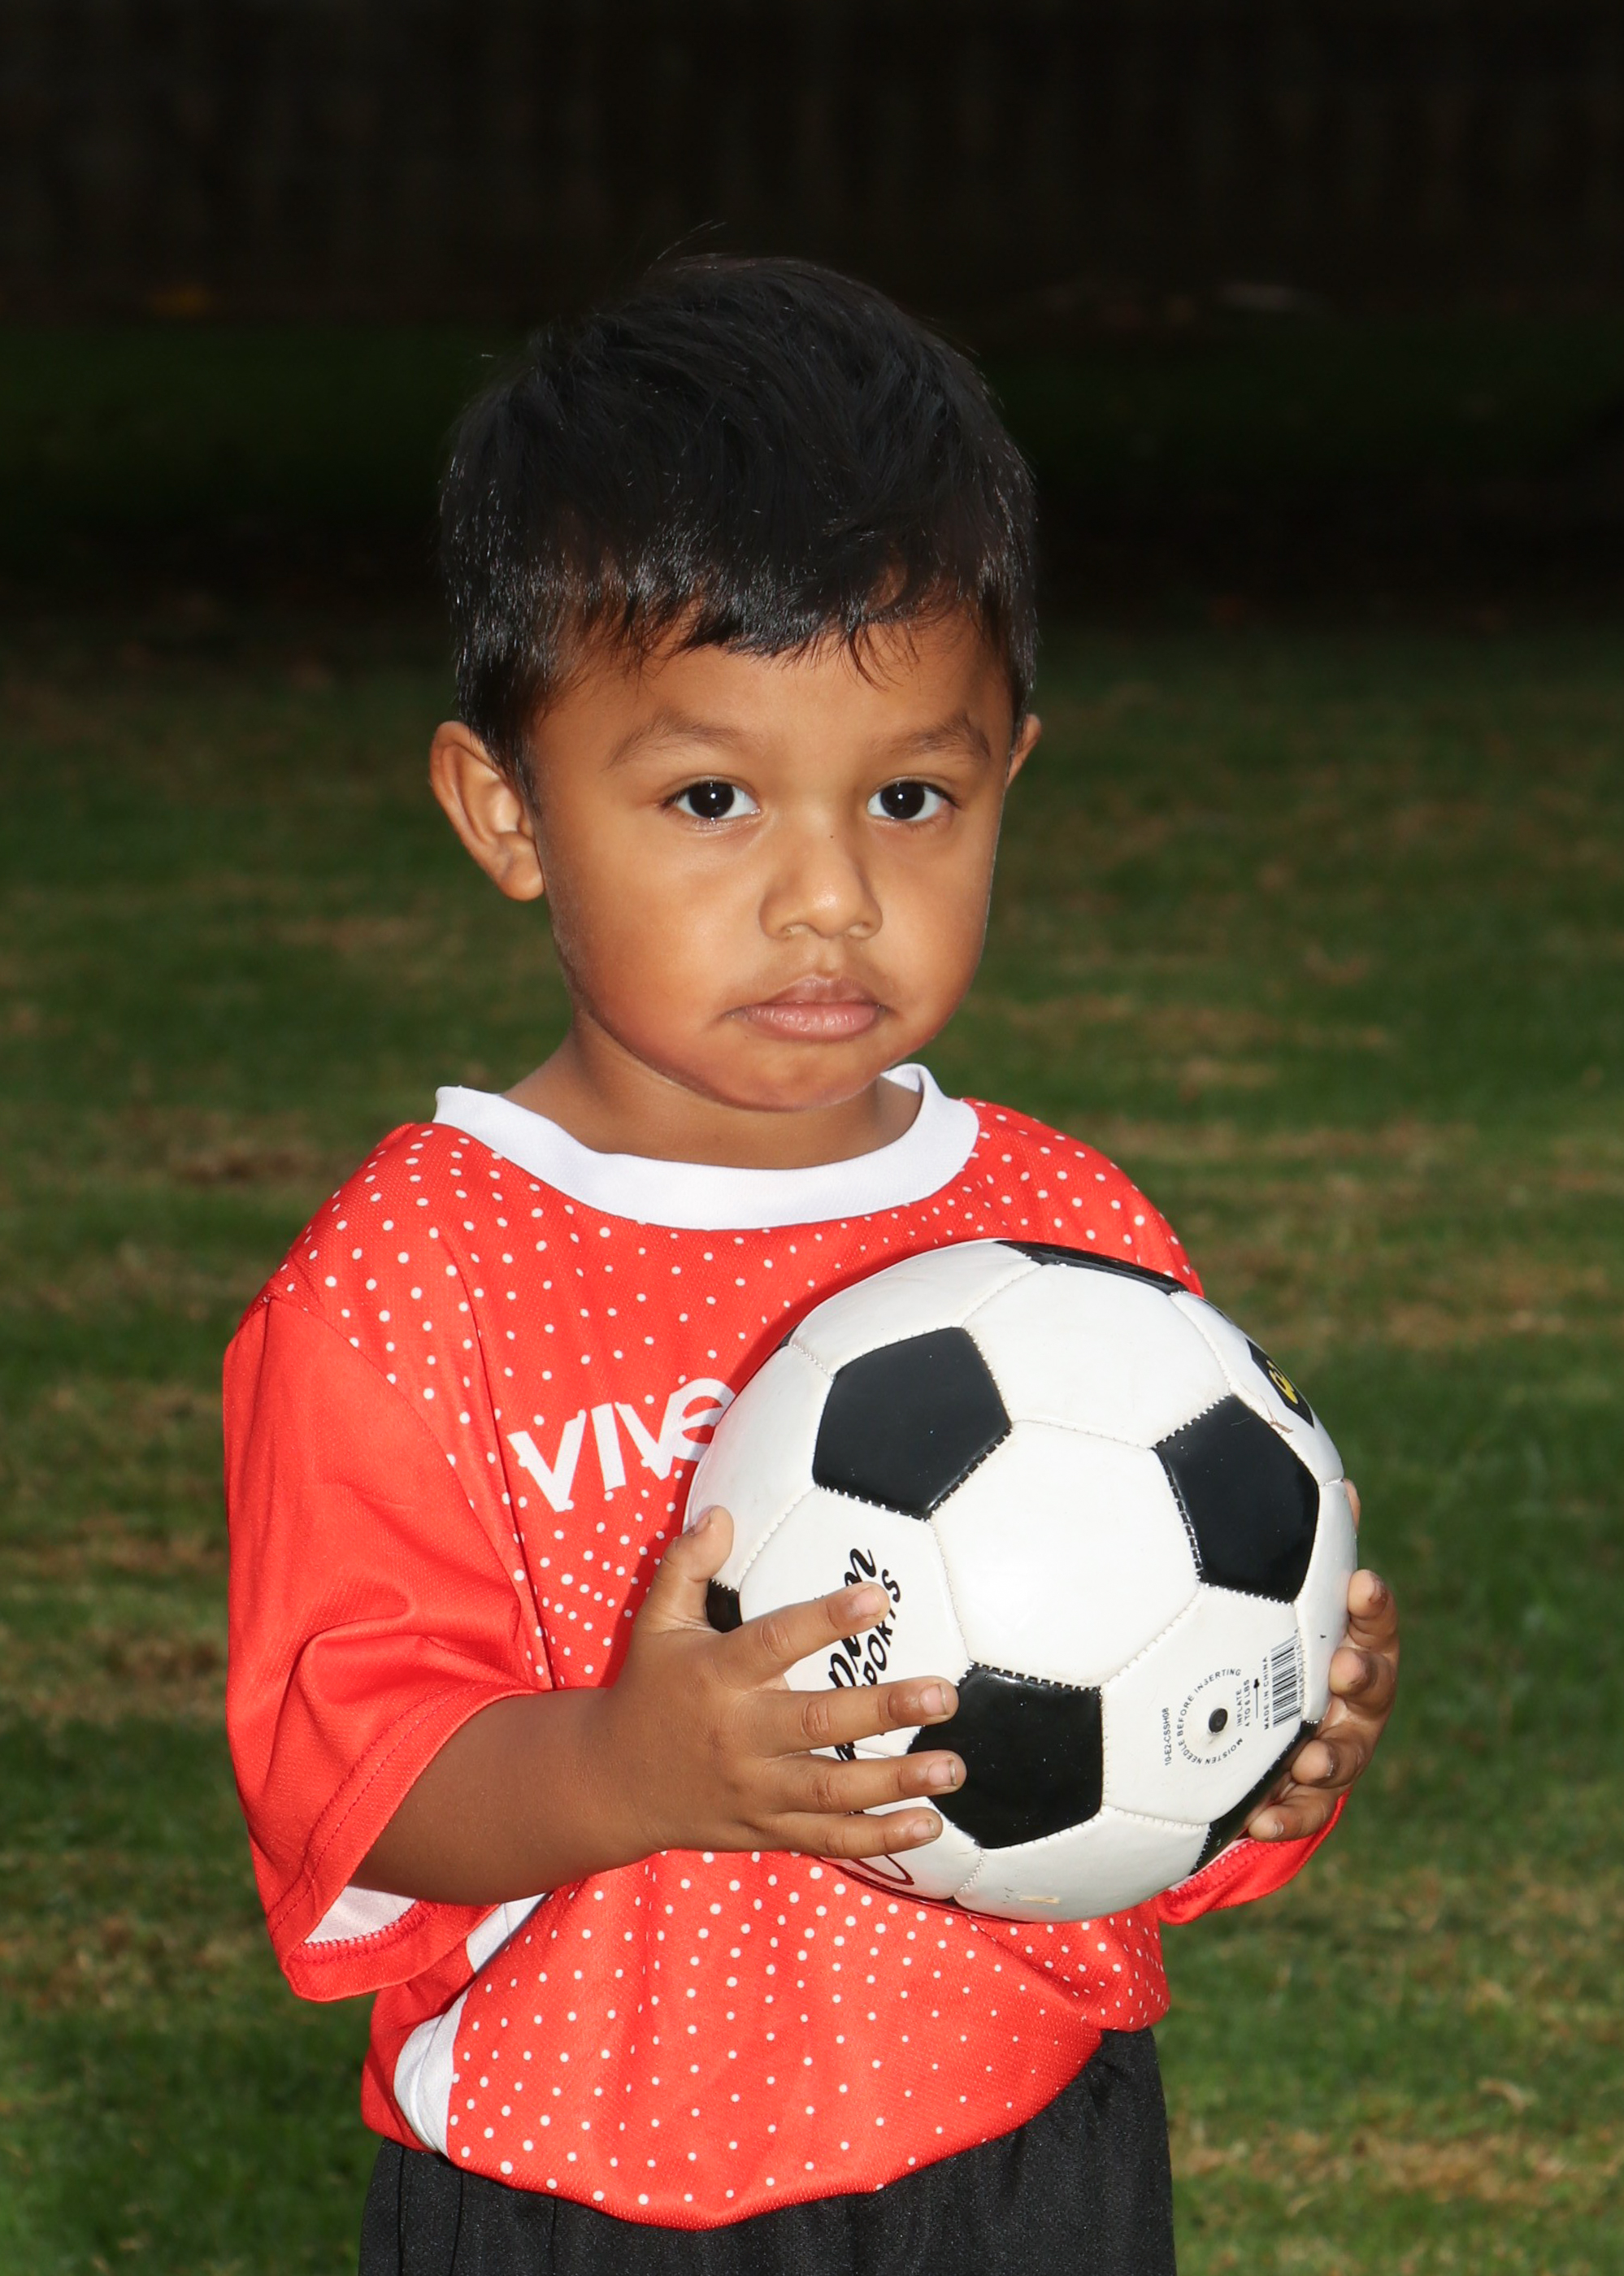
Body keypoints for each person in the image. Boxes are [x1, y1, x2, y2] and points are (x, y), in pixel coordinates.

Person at [223, 258, 1400, 2276]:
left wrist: (1269, 1747)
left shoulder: (1066, 1236)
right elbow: (352, 1771)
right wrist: (628, 1764)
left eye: (910, 796)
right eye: (710, 797)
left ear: (1010, 773)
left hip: (1017, 2156)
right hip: (578, 2182)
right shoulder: (413, 1278)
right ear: (508, 810)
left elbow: (1135, 1752)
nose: (830, 893)